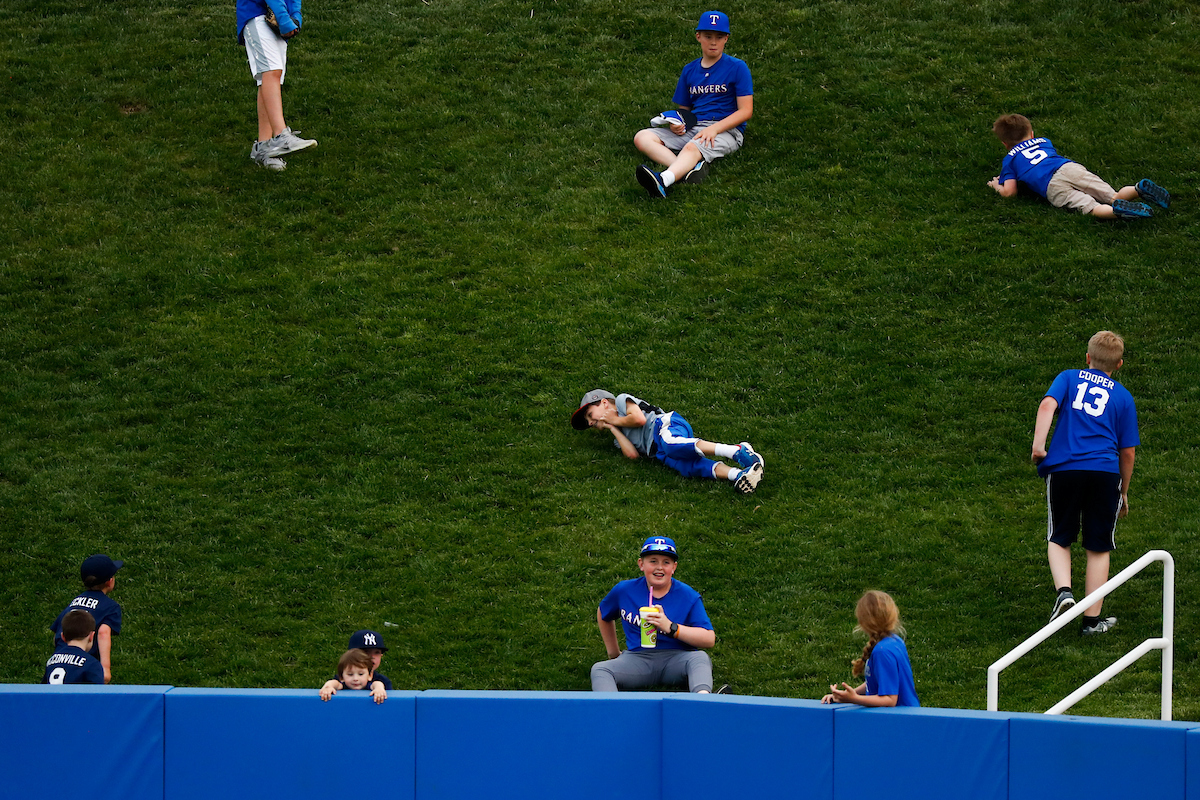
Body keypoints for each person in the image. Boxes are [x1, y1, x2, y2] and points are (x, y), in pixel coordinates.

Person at [1032, 331, 1139, 635]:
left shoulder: (1068, 377)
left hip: (1065, 468)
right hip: (1105, 472)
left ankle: (1064, 592)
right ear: (1118, 364)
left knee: (1059, 535)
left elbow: (1046, 406)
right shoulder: (1123, 396)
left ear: (1087, 357)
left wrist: (1039, 447)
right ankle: (1091, 622)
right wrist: (1124, 490)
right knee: (1098, 546)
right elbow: (1127, 451)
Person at [633, 10, 753, 198]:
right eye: (708, 36)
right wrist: (678, 125)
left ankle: (663, 180)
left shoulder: (737, 67)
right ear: (698, 37)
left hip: (727, 130)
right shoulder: (689, 70)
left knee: (692, 146)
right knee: (642, 137)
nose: (713, 42)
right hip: (696, 126)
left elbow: (746, 111)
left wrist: (714, 129)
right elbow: (684, 112)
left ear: (726, 39)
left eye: (719, 36)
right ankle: (686, 170)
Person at [591, 536, 727, 694]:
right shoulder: (625, 590)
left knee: (700, 659)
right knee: (600, 669)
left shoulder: (688, 596)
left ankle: (703, 700)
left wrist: (670, 627)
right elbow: (603, 612)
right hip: (638, 658)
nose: (659, 567)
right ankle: (615, 710)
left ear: (674, 567)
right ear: (641, 564)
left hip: (677, 659)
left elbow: (709, 639)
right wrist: (613, 652)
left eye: (666, 562)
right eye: (653, 561)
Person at [571, 389, 764, 494]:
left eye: (590, 414)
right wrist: (613, 428)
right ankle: (739, 475)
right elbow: (632, 455)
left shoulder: (621, 401)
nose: (590, 422)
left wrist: (614, 420)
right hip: (660, 452)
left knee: (671, 444)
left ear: (604, 403)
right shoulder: (617, 436)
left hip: (664, 426)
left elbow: (639, 419)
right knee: (689, 467)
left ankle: (737, 450)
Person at [987, 114, 1168, 220]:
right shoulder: (1044, 142)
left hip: (1051, 185)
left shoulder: (1010, 159)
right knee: (1112, 195)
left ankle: (1117, 212)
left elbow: (1010, 192)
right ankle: (1138, 189)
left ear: (1005, 144)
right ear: (1032, 134)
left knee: (1090, 206)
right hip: (1069, 168)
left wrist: (997, 186)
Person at [236, 0, 317, 170]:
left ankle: (263, 148)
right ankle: (281, 135)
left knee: (270, 79)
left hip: (278, 20)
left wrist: (295, 18)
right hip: (256, 15)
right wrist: (285, 19)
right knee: (271, 72)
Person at [822, 590, 919, 707]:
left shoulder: (883, 652)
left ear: (863, 621)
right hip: (903, 718)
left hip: (898, 721)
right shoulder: (894, 641)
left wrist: (854, 699)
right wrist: (845, 696)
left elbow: (889, 700)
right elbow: (877, 680)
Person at [50, 554, 123, 684]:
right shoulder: (110, 606)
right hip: (84, 664)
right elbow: (103, 632)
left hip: (58, 661)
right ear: (110, 581)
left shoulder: (74, 603)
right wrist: (105, 669)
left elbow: (58, 632)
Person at [320, 629, 392, 697]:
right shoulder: (344, 678)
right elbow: (335, 683)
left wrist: (379, 689)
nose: (372, 657)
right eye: (366, 652)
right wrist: (328, 687)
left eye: (377, 653)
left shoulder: (383, 681)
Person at [42, 610, 105, 685]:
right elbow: (96, 695)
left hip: (52, 697)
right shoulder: (92, 664)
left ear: (63, 637)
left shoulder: (51, 661)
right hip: (75, 697)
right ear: (91, 636)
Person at [319, 649, 387, 703]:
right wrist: (328, 687)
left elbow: (377, 683)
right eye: (350, 674)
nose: (355, 679)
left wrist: (379, 689)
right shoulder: (343, 686)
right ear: (342, 677)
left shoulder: (369, 686)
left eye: (360, 674)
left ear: (370, 675)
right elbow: (334, 682)